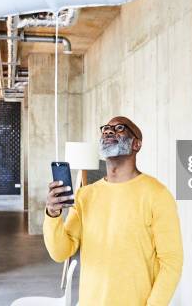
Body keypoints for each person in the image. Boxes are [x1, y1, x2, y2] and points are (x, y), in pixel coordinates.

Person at [43, 116, 183, 306]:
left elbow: (171, 262)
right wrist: (53, 214)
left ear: (136, 144)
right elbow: (60, 252)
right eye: (105, 129)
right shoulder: (85, 195)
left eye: (118, 128)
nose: (108, 131)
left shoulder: (157, 194)